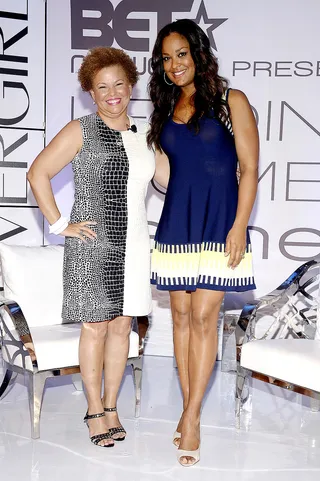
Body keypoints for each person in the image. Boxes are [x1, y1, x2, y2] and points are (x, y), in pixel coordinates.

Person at [27, 47, 155, 447]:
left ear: (131, 86)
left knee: (122, 327)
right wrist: (61, 224)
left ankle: (113, 406)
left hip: (135, 246)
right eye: (101, 87)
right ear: (90, 93)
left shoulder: (147, 132)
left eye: (119, 84)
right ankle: (94, 410)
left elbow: (168, 178)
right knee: (95, 328)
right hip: (95, 247)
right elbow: (38, 173)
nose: (112, 93)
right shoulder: (81, 128)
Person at [148, 19, 259, 466]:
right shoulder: (165, 108)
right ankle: (187, 406)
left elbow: (249, 169)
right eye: (166, 58)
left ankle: (192, 417)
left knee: (203, 316)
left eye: (181, 54)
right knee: (178, 317)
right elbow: (164, 175)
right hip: (177, 223)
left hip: (219, 225)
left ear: (198, 53)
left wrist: (239, 226)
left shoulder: (232, 101)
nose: (174, 65)